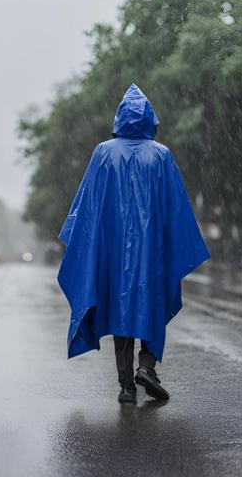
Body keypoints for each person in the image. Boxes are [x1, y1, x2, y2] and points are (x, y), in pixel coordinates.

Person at [57, 84, 210, 404]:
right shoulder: (161, 155)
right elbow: (175, 209)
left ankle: (126, 385)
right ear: (151, 120)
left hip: (112, 252)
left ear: (119, 119)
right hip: (151, 251)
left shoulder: (102, 153)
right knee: (152, 305)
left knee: (119, 313)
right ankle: (147, 367)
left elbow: (88, 207)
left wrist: (88, 247)